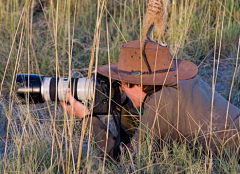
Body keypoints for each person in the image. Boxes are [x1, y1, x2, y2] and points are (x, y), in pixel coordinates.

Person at [60, 40, 240, 157]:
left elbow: (127, 161)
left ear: (136, 84)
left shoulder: (161, 102)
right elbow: (144, 135)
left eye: (123, 83)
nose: (121, 87)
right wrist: (121, 104)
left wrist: (87, 118)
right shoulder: (184, 84)